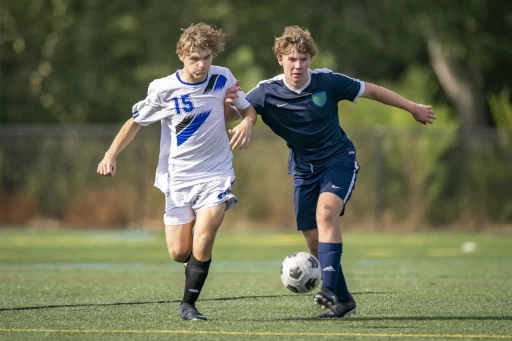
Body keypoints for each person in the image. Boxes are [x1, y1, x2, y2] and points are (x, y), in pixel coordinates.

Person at [225, 26, 436, 318]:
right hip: (302, 170)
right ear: (280, 59)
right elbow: (238, 112)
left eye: (303, 59)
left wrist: (412, 107)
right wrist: (231, 105)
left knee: (326, 214)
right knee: (314, 241)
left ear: (310, 59)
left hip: (338, 159)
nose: (298, 66)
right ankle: (344, 299)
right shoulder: (265, 92)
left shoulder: (328, 81)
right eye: (291, 59)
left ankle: (327, 289)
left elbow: (371, 90)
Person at [97, 23, 257, 321]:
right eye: (195, 58)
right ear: (181, 55)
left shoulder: (223, 78)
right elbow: (134, 122)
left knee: (205, 235)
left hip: (215, 174)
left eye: (207, 58)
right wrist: (110, 153)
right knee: (178, 252)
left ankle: (188, 305)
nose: (201, 65)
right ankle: (193, 261)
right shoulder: (162, 89)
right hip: (178, 178)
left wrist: (246, 122)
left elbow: (247, 109)